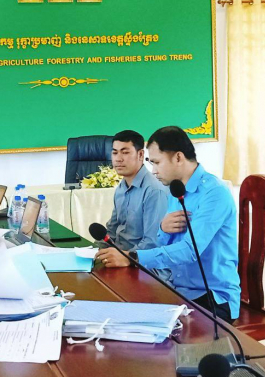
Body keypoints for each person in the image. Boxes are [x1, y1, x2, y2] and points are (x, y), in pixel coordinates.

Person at [96, 126, 240, 323]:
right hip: (178, 289)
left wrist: (132, 257)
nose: (153, 171)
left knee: (146, 330)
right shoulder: (176, 189)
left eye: (157, 162)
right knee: (118, 313)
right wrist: (162, 229)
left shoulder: (214, 193)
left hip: (212, 297)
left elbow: (190, 251)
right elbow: (162, 244)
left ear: (178, 157)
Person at [100, 130, 167, 252]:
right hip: (119, 255)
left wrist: (124, 257)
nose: (118, 159)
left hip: (139, 260)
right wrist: (95, 251)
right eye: (114, 153)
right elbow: (111, 231)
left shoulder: (154, 191)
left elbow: (152, 242)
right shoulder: (121, 187)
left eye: (125, 153)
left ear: (140, 155)